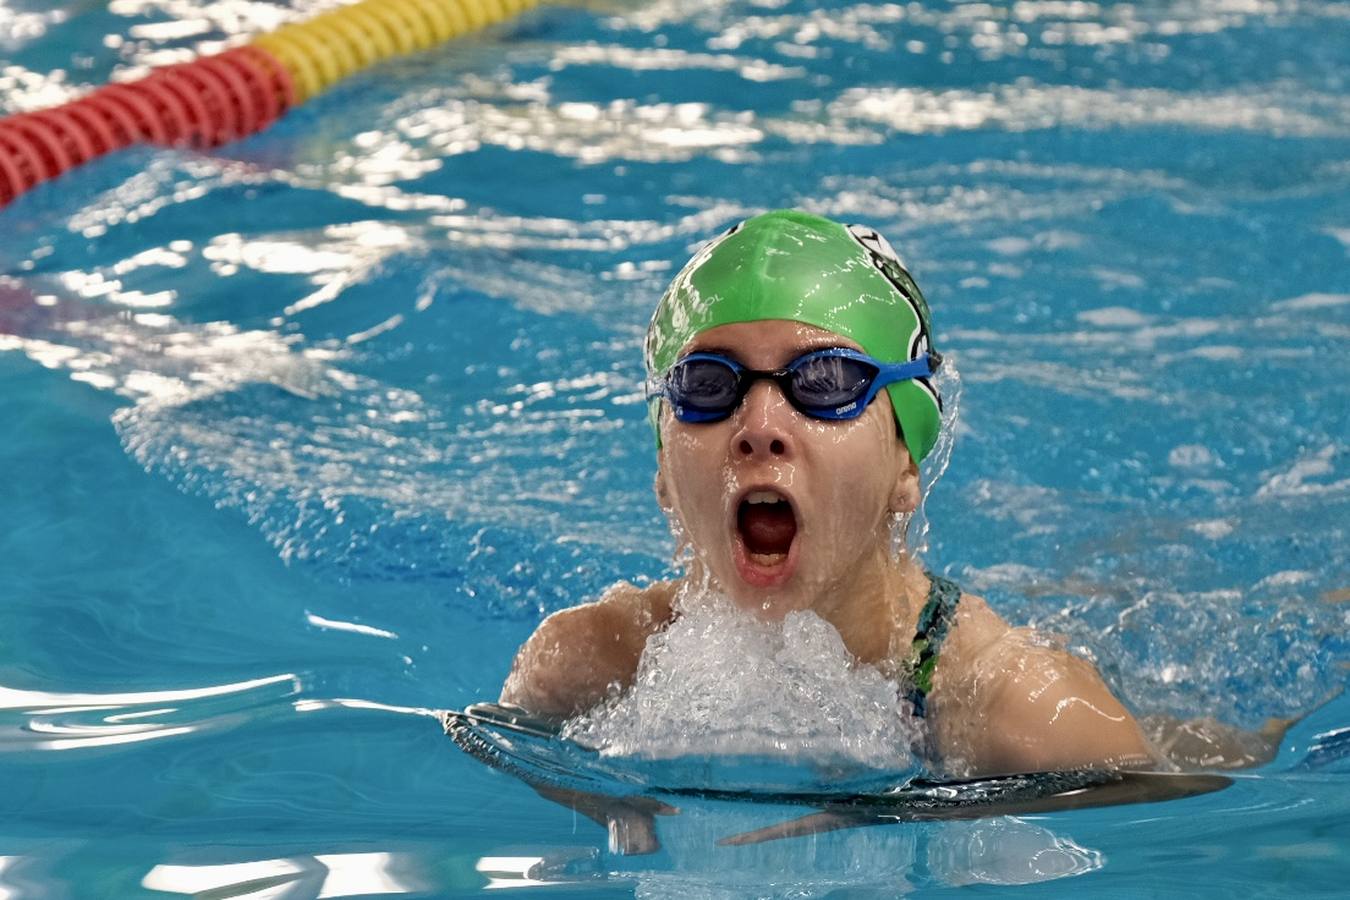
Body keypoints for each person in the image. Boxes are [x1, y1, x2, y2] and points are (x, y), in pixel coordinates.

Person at [496, 209, 1290, 849]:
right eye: (710, 385)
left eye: (826, 382)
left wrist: (912, 810)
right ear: (665, 471)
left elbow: (1178, 792)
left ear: (905, 466)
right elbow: (499, 740)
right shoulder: (587, 663)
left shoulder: (1011, 704)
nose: (759, 426)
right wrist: (605, 803)